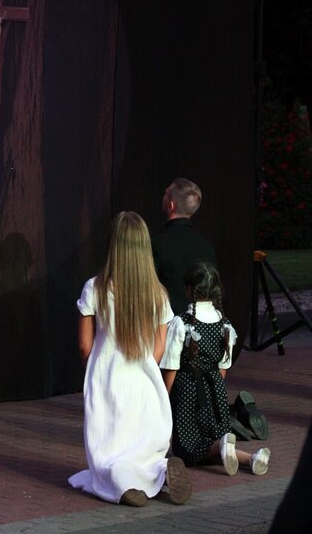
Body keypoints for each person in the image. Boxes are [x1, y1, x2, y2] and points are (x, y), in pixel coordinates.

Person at [68, 211, 192, 507]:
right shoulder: (158, 293)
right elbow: (159, 348)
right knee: (142, 445)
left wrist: (96, 368)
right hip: (144, 379)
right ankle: (160, 470)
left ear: (113, 245)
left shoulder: (95, 288)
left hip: (108, 377)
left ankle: (121, 483)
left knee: (107, 451)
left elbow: (84, 346)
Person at [160, 260, 271, 476]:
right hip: (215, 387)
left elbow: (171, 366)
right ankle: (251, 458)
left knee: (186, 450)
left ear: (189, 290)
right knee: (210, 440)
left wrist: (164, 395)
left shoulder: (181, 323)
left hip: (187, 389)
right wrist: (215, 391)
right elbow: (223, 368)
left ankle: (224, 446)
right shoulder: (225, 324)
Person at [151, 178, 217, 315]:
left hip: (166, 324)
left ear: (171, 206)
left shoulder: (156, 244)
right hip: (199, 323)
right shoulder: (207, 248)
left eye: (165, 194)